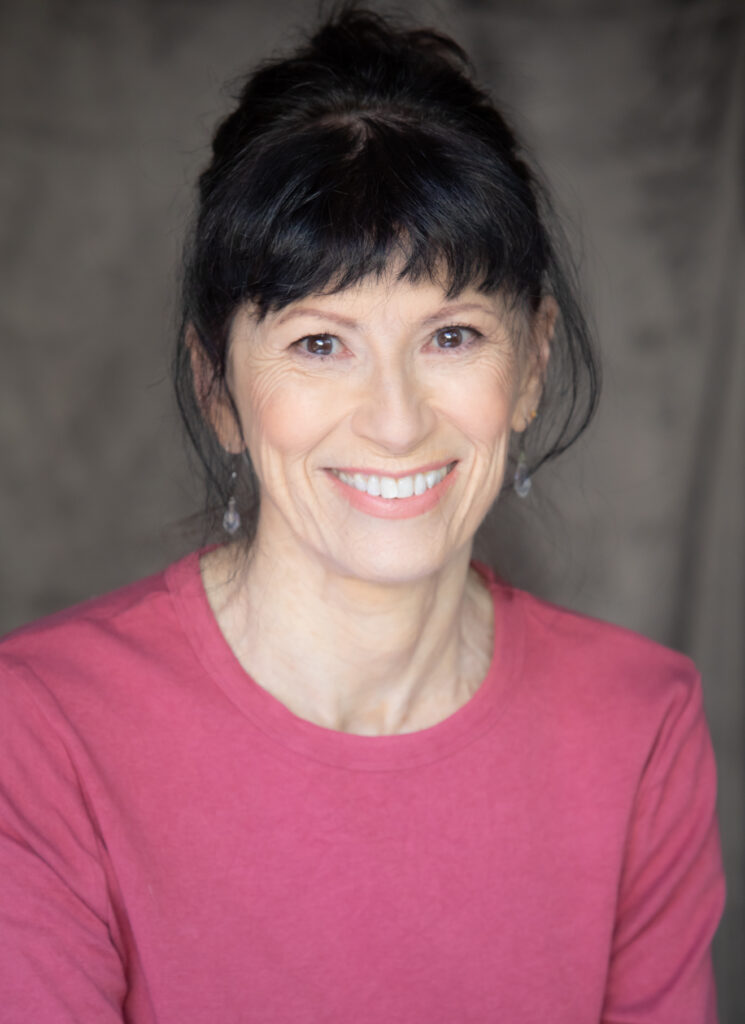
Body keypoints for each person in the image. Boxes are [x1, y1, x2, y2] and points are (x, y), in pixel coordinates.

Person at [0, 7, 725, 1023]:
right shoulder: (36, 731)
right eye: (318, 343)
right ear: (218, 389)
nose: (395, 421)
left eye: (453, 334)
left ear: (532, 363)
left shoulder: (640, 724)